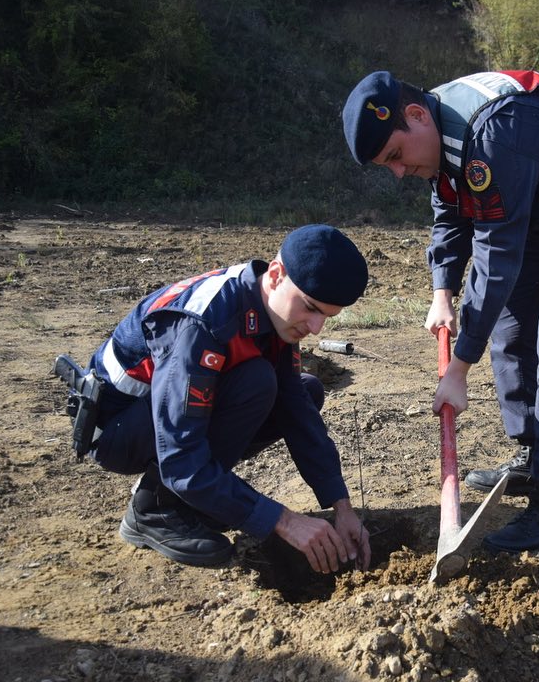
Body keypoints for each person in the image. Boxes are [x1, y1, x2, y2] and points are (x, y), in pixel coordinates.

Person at [342, 70, 539, 554]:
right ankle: (533, 455)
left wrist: (459, 370)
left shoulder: (496, 129)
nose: (399, 172)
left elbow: (496, 254)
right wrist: (442, 292)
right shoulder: (444, 140)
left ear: (415, 116)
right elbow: (450, 214)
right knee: (511, 327)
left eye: (395, 156)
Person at [67, 225, 372, 571]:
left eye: (326, 317)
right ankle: (154, 509)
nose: (315, 328)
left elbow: (296, 409)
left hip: (159, 418)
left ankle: (196, 502)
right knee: (257, 382)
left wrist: (341, 505)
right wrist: (284, 521)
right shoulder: (203, 324)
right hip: (116, 429)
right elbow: (181, 456)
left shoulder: (274, 311)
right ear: (276, 275)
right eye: (310, 308)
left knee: (303, 391)